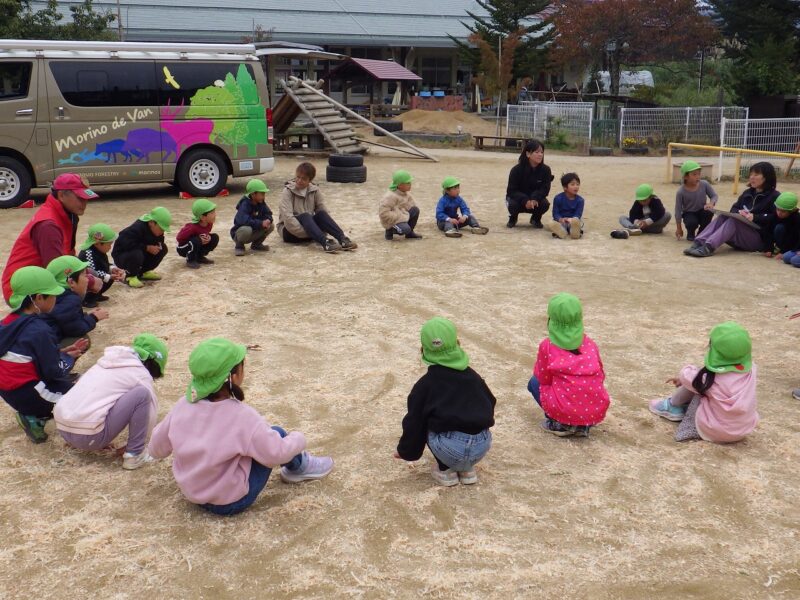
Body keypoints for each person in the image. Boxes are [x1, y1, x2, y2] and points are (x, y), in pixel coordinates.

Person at [148, 337, 334, 516]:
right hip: (230, 502)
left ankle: (297, 466)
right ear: (234, 376)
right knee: (277, 433)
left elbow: (156, 449)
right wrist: (298, 438)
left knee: (248, 443)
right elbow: (276, 453)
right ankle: (300, 467)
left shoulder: (182, 406)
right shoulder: (243, 416)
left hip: (192, 493)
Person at [394, 317, 496, 486]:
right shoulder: (474, 378)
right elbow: (490, 402)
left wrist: (406, 452)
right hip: (481, 446)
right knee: (455, 423)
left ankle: (446, 471)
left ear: (423, 350)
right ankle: (467, 470)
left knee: (424, 419)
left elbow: (414, 423)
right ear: (457, 343)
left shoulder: (425, 385)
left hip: (450, 449)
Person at [0, 266, 88, 443]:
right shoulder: (40, 330)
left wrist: (59, 351)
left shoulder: (7, 322)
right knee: (84, 398)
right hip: (29, 393)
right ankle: (34, 417)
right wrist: (68, 358)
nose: (56, 298)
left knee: (67, 384)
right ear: (38, 298)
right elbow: (53, 371)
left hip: (8, 390)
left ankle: (35, 411)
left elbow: (22, 352)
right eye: (53, 294)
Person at [54, 333, 168, 470]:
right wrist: (143, 444)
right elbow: (150, 412)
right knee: (142, 394)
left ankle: (86, 435)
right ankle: (134, 455)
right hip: (89, 436)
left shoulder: (106, 362)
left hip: (63, 428)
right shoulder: (140, 373)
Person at [649, 321, 758, 443]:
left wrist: (687, 377)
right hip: (742, 430)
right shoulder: (751, 369)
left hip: (713, 431)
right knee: (699, 384)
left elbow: (686, 375)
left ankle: (673, 406)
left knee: (697, 387)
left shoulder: (708, 377)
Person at [2, 173, 99, 304]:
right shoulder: (49, 225)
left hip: (35, 278)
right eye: (80, 198)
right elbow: (58, 270)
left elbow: (68, 256)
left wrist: (91, 274)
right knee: (77, 291)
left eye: (86, 198)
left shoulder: (66, 214)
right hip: (21, 291)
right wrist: (90, 280)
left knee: (95, 273)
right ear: (61, 195)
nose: (84, 203)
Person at [527, 293, 610, 437]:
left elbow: (542, 378)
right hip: (593, 410)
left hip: (566, 409)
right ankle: (582, 425)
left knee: (533, 383)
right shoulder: (590, 344)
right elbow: (601, 375)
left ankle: (559, 424)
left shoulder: (547, 346)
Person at [684, 162, 779, 258]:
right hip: (740, 235)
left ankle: (708, 247)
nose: (752, 177)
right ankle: (698, 243)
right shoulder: (747, 193)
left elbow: (776, 218)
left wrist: (755, 217)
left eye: (756, 174)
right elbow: (734, 208)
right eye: (751, 174)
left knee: (734, 221)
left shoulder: (774, 196)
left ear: (766, 177)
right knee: (723, 216)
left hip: (759, 239)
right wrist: (740, 213)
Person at [278, 162, 358, 253]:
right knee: (306, 216)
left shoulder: (315, 190)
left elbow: (323, 212)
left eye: (303, 179)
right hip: (290, 232)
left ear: (310, 180)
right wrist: (313, 232)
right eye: (298, 177)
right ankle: (325, 243)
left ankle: (342, 239)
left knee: (322, 214)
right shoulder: (287, 191)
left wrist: (315, 231)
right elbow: (288, 220)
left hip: (311, 230)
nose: (299, 180)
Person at [43, 255, 109, 345]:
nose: (88, 280)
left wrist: (85, 316)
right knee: (83, 340)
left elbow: (66, 318)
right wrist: (94, 318)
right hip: (47, 343)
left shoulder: (52, 295)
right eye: (85, 275)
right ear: (71, 282)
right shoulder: (70, 299)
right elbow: (76, 329)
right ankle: (62, 358)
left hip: (38, 341)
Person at [111, 207, 172, 287]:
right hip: (123, 256)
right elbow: (126, 243)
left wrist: (158, 245)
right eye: (161, 228)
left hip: (141, 253)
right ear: (151, 223)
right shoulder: (137, 228)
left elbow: (159, 240)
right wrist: (147, 248)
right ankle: (130, 276)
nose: (162, 232)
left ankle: (143, 272)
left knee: (163, 249)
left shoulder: (156, 231)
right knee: (136, 253)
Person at [505, 139, 553, 229]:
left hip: (535, 200)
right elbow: (511, 191)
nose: (540, 155)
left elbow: (545, 189)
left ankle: (536, 219)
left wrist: (535, 198)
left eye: (542, 152)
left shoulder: (546, 170)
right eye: (536, 152)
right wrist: (525, 200)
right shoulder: (516, 170)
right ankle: (513, 218)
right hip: (518, 199)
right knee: (512, 205)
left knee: (545, 204)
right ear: (528, 154)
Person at [78, 223, 125, 308]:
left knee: (108, 277)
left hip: (98, 276)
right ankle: (87, 300)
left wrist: (112, 268)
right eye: (109, 244)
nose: (110, 247)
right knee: (99, 279)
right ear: (97, 243)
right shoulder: (88, 253)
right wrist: (109, 276)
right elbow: (92, 272)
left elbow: (104, 264)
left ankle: (97, 295)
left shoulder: (100, 251)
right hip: (86, 280)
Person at [674, 160, 718, 241]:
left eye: (698, 174)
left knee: (709, 211)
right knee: (691, 222)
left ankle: (702, 233)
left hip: (702, 210)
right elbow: (678, 211)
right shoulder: (680, 192)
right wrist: (679, 228)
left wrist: (711, 203)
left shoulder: (704, 184)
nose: (698, 176)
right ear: (686, 177)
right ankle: (691, 232)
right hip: (689, 213)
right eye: (694, 174)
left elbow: (714, 196)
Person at [231, 179, 274, 257]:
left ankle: (256, 245)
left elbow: (268, 213)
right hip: (240, 233)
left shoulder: (261, 202)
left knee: (271, 225)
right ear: (253, 194)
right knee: (246, 229)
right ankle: (239, 246)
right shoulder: (245, 204)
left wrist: (268, 219)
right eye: (262, 193)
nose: (264, 196)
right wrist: (261, 223)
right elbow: (243, 221)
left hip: (253, 230)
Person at [379, 169, 423, 240]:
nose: (410, 184)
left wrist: (404, 212)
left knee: (415, 210)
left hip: (402, 216)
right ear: (400, 185)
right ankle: (389, 230)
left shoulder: (405, 194)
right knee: (405, 229)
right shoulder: (390, 196)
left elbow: (411, 206)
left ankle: (409, 233)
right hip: (392, 221)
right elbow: (383, 214)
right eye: (407, 183)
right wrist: (400, 217)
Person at [176, 198, 219, 269]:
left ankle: (199, 257)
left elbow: (203, 233)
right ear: (203, 217)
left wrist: (207, 237)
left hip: (196, 245)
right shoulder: (191, 227)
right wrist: (197, 240)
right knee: (196, 240)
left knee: (214, 237)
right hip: (183, 248)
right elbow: (179, 238)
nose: (215, 215)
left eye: (214, 212)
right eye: (212, 213)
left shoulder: (209, 224)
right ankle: (190, 260)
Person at [548, 172, 585, 239]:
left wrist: (572, 220)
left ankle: (575, 233)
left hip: (573, 222)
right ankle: (562, 232)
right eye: (572, 184)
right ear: (565, 187)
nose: (576, 186)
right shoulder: (558, 198)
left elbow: (578, 214)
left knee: (578, 222)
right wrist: (560, 219)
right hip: (562, 221)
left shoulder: (580, 200)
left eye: (577, 184)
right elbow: (555, 213)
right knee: (552, 223)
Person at [768, 192, 800, 263]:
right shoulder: (775, 215)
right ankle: (779, 248)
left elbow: (792, 237)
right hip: (786, 243)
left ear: (792, 211)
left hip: (793, 244)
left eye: (783, 211)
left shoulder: (796, 219)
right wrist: (768, 248)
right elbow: (768, 231)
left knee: (790, 259)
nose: (779, 213)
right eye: (777, 209)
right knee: (779, 228)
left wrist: (783, 251)